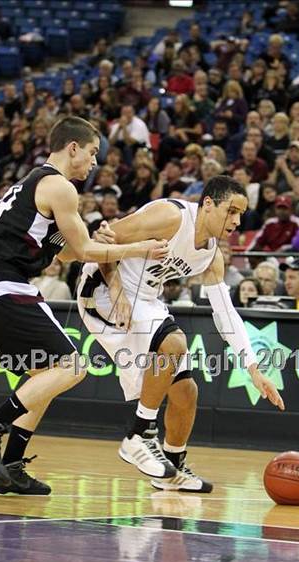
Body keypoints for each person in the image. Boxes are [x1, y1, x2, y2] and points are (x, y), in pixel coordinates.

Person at [0, 117, 169, 496]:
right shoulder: (59, 186)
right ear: (72, 147)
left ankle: (9, 465)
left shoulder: (33, 184)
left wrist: (99, 238)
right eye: (91, 153)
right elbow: (87, 252)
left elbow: (73, 251)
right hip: (3, 286)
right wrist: (139, 248)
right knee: (74, 366)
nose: (93, 163)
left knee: (43, 378)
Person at [77, 175, 284, 494]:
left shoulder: (212, 255)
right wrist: (116, 286)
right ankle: (139, 435)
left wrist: (253, 368)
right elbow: (105, 241)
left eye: (241, 214)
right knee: (174, 342)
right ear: (209, 205)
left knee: (186, 391)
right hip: (103, 291)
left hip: (145, 300)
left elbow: (226, 313)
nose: (237, 221)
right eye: (231, 211)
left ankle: (171, 469)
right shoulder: (170, 216)